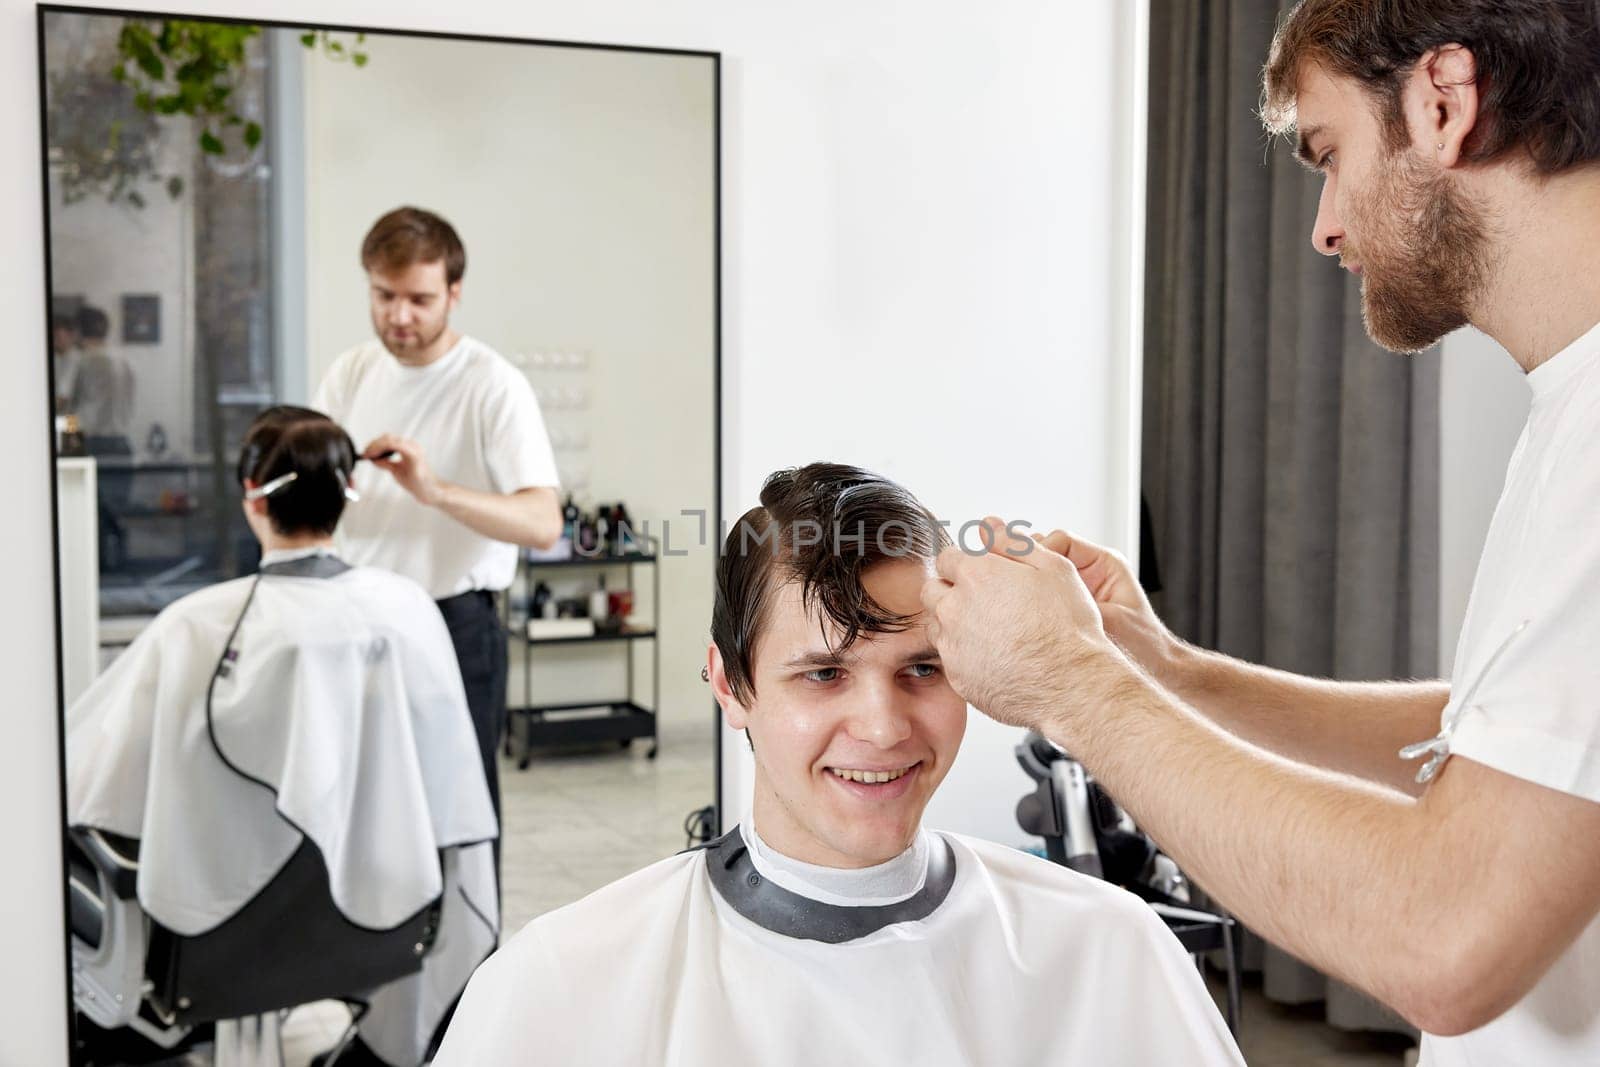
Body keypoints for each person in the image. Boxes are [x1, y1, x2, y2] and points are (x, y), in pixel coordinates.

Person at [920, 2, 1600, 1063]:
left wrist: (1074, 684)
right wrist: (1165, 669)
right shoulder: (1571, 412)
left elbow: (1447, 937)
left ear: (1442, 102)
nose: (1324, 227)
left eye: (1330, 156)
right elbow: (1511, 748)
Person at [432, 464, 1244, 1066]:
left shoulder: (1104, 950)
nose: (884, 726)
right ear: (729, 681)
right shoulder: (568, 980)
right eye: (823, 673)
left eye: (921, 668)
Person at [65, 406, 499, 1067]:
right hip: (382, 922)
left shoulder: (197, 625)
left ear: (251, 497)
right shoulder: (406, 610)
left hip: (216, 938)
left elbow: (86, 780)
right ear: (347, 497)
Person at [313, 207, 562, 837]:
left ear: (454, 293)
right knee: (363, 805)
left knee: (459, 813)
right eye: (384, 296)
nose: (399, 316)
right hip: (359, 618)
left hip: (455, 623)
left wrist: (434, 491)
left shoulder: (493, 385)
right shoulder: (350, 373)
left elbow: (543, 523)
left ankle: (472, 942)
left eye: (419, 299)